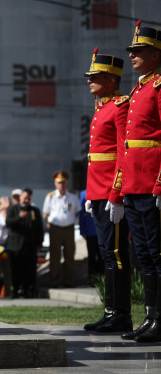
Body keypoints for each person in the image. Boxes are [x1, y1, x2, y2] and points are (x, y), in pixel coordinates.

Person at [113, 21, 161, 342]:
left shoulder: (158, 87)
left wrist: (160, 184)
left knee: (157, 254)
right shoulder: (139, 89)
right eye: (131, 51)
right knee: (143, 254)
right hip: (133, 185)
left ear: (156, 54)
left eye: (139, 51)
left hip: (151, 184)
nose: (132, 56)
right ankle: (150, 317)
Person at [80, 49, 132, 332]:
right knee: (106, 252)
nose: (90, 81)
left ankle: (121, 314)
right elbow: (96, 157)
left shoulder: (120, 106)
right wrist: (91, 194)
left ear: (111, 80)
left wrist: (116, 193)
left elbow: (123, 153)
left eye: (95, 77)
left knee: (116, 252)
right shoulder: (102, 108)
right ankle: (111, 311)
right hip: (98, 192)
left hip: (111, 192)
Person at [42, 171, 81, 288]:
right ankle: (54, 281)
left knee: (69, 255)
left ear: (67, 183)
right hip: (55, 228)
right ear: (55, 184)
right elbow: (45, 214)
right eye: (59, 183)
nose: (62, 185)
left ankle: (68, 281)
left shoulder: (73, 196)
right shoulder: (51, 196)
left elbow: (78, 211)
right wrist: (48, 223)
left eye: (63, 182)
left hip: (69, 228)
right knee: (55, 256)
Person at [6, 188, 44, 298]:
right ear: (20, 197)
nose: (26, 200)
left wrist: (39, 244)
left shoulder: (34, 211)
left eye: (29, 198)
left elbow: (39, 228)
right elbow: (8, 222)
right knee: (15, 269)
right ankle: (16, 290)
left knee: (29, 270)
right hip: (15, 246)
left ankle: (28, 290)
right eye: (25, 198)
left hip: (30, 246)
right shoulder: (13, 209)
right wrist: (20, 217)